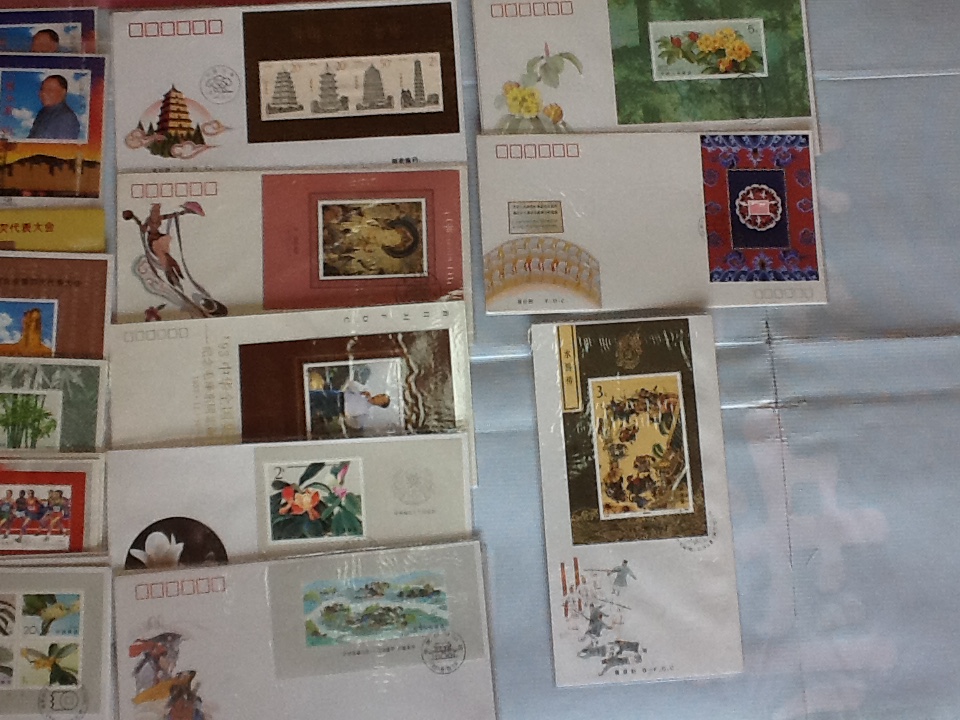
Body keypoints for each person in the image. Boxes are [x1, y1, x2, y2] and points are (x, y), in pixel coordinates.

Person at [28, 74, 80, 140]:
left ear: (63, 93)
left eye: (50, 90)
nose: (43, 93)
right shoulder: (42, 113)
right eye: (42, 89)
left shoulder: (67, 117)